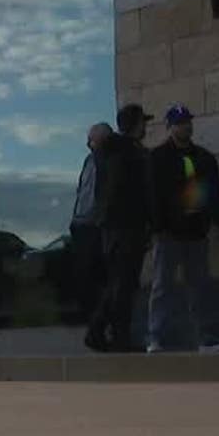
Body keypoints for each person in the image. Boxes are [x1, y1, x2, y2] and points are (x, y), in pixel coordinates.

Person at [147, 104, 219, 353]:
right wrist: (157, 226)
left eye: (187, 122)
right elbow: (152, 195)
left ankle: (203, 336)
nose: (185, 126)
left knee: (199, 285)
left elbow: (215, 192)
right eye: (180, 123)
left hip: (196, 230)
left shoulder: (203, 157)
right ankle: (155, 336)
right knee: (162, 285)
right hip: (169, 232)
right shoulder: (158, 157)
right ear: (170, 127)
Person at [86, 105, 155, 353]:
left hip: (119, 228)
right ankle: (114, 335)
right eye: (143, 122)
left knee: (120, 283)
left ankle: (105, 332)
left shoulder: (114, 152)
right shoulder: (128, 153)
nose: (146, 127)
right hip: (126, 228)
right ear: (136, 124)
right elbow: (131, 193)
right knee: (123, 284)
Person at [69, 123, 114, 320]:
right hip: (82, 224)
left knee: (97, 273)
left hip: (95, 225)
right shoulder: (89, 160)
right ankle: (89, 314)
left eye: (91, 139)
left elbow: (102, 193)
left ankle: (98, 317)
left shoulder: (108, 161)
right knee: (84, 273)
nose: (88, 143)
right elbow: (84, 190)